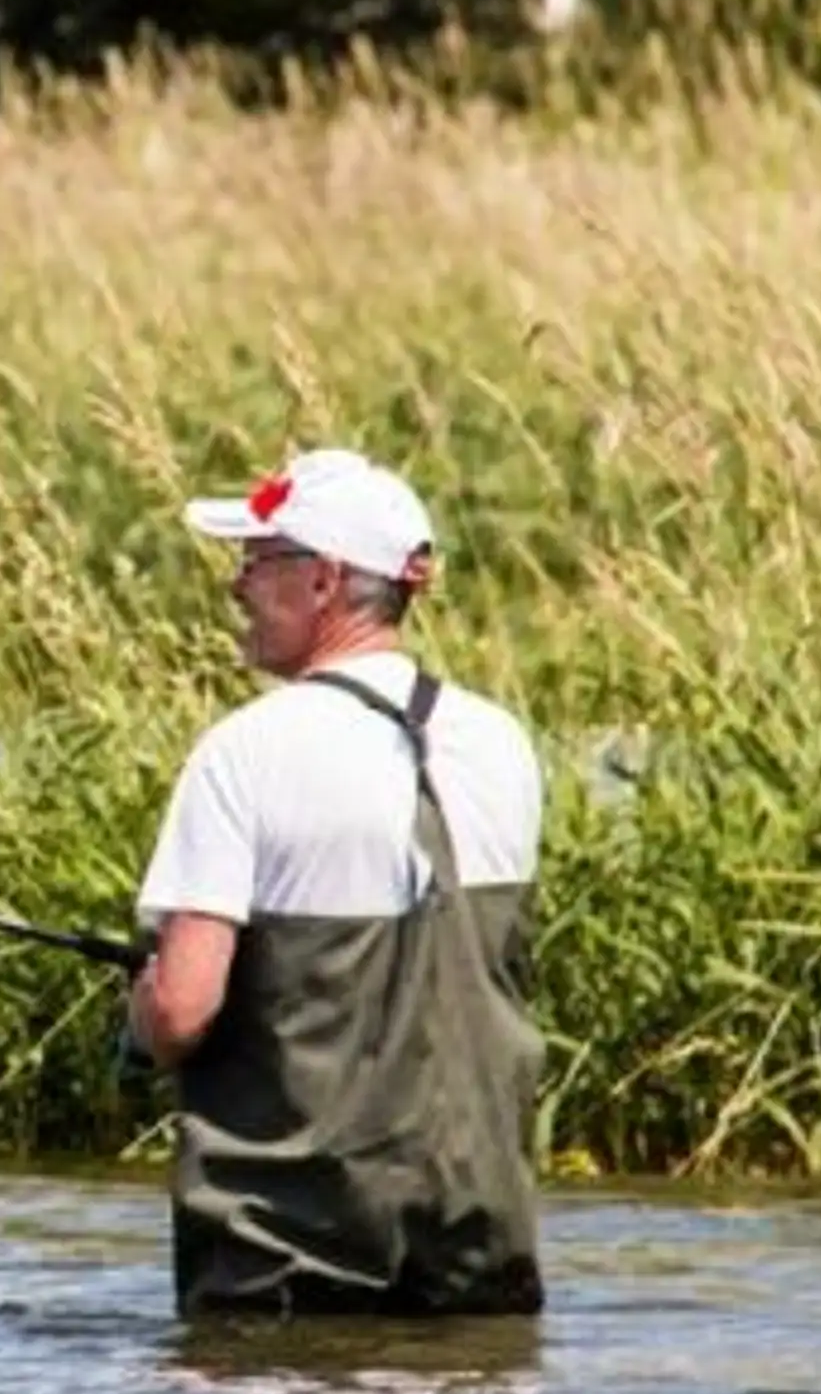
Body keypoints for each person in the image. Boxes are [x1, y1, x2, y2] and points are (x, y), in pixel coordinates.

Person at [124, 446, 547, 1317]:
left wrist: (140, 1004)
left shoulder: (244, 752)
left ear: (322, 581)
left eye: (256, 564)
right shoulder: (501, 743)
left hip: (287, 1265)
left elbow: (181, 1011)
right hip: (476, 1250)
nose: (237, 587)